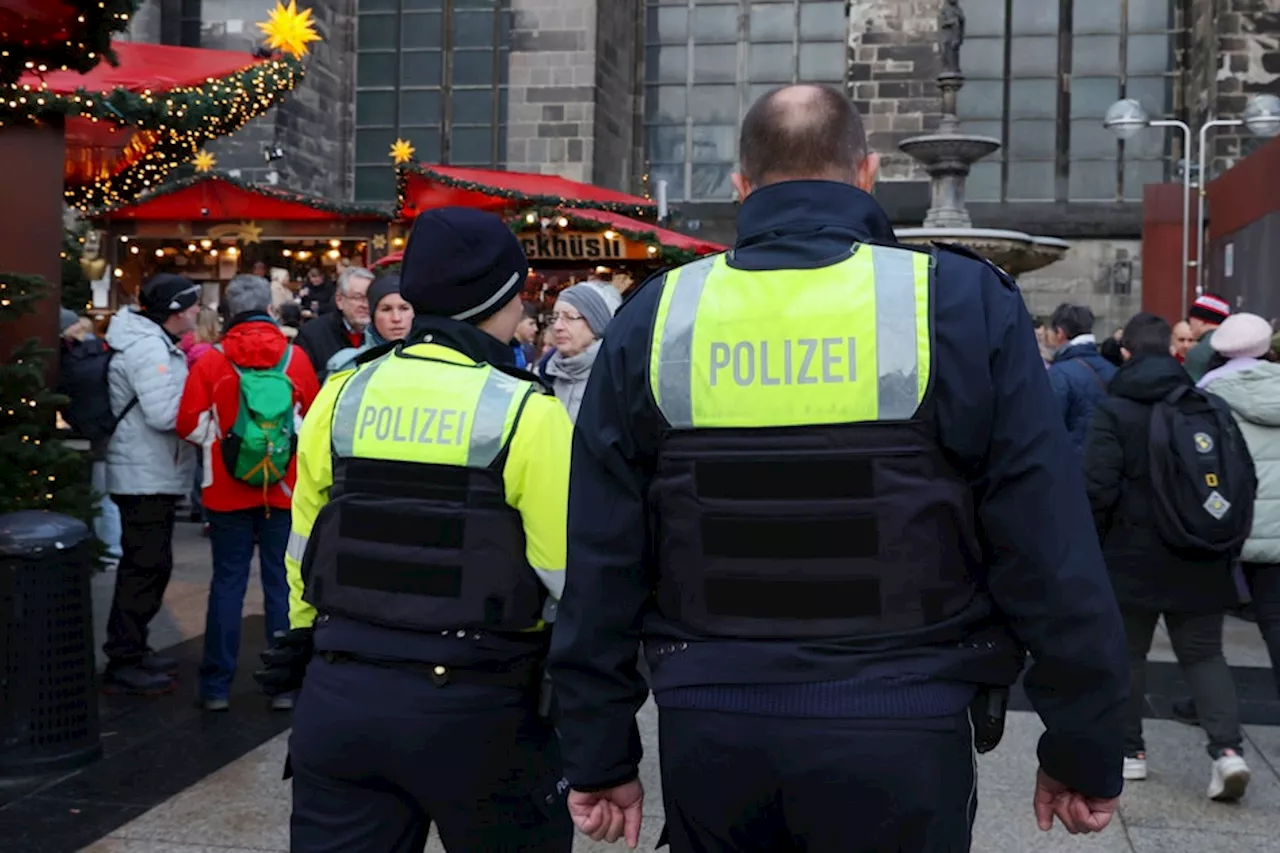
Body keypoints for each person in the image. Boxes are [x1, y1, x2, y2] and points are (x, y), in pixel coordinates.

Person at [547, 84, 1128, 852]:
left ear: (741, 186)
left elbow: (601, 552)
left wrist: (599, 749)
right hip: (903, 723)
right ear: (868, 172)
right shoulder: (955, 301)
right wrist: (1084, 740)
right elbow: (1046, 540)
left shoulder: (658, 315)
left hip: (713, 725)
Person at [254, 207, 576, 853]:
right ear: (499, 300)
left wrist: (301, 639)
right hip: (481, 706)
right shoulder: (524, 411)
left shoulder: (344, 392)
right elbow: (570, 579)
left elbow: (304, 540)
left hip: (341, 694)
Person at [1083, 312, 1249, 800]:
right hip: (1199, 552)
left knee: (1129, 655)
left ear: (1127, 353)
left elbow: (1095, 488)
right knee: (1204, 654)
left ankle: (1131, 753)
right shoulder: (1207, 404)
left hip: (1130, 556)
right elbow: (1243, 480)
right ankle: (1227, 752)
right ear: (1177, 352)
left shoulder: (1113, 410)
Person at [177, 275, 321, 713]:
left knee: (227, 584)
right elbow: (313, 421)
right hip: (282, 490)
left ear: (227, 314)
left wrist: (223, 445)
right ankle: (282, 687)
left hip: (225, 491)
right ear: (271, 310)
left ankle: (217, 687)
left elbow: (187, 423)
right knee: (281, 586)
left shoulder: (212, 360)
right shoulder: (295, 359)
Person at [102, 274, 202, 694]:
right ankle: (124, 658)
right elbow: (164, 414)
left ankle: (133, 648)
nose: (198, 311)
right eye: (193, 304)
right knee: (144, 567)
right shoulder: (149, 348)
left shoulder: (154, 343)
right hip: (143, 474)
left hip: (149, 471)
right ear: (175, 310)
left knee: (149, 565)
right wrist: (205, 414)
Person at [1198, 313, 1280, 695]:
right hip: (1276, 525)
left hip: (1229, 520)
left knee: (1203, 625)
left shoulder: (1209, 394)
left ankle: (1206, 700)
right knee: (1275, 619)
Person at [57, 308, 122, 569]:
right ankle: (112, 550)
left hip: (89, 433)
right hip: (110, 432)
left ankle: (107, 550)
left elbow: (68, 401)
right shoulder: (106, 355)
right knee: (107, 496)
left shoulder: (70, 362)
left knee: (98, 496)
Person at [538, 282, 620, 422]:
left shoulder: (617, 382)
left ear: (597, 325)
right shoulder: (543, 376)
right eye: (555, 317)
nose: (557, 326)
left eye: (570, 317)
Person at [1046, 303, 1116, 456]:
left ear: (1060, 333)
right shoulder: (1111, 369)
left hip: (1071, 461)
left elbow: (1049, 425)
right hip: (1106, 460)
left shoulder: (1059, 373)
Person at [296, 266, 374, 383]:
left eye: (370, 298)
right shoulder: (311, 334)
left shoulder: (383, 332)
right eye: (358, 298)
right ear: (339, 300)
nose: (365, 305)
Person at [325, 273, 414, 375]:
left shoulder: (433, 360)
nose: (396, 318)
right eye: (386, 309)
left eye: (404, 308)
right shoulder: (348, 366)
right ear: (373, 315)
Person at [1183, 293, 1231, 382]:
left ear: (1201, 321)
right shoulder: (1237, 345)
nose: (1190, 327)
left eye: (1190, 321)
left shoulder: (1198, 352)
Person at [511, 302, 539, 369]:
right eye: (531, 324)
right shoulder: (508, 352)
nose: (536, 329)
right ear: (517, 323)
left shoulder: (525, 350)